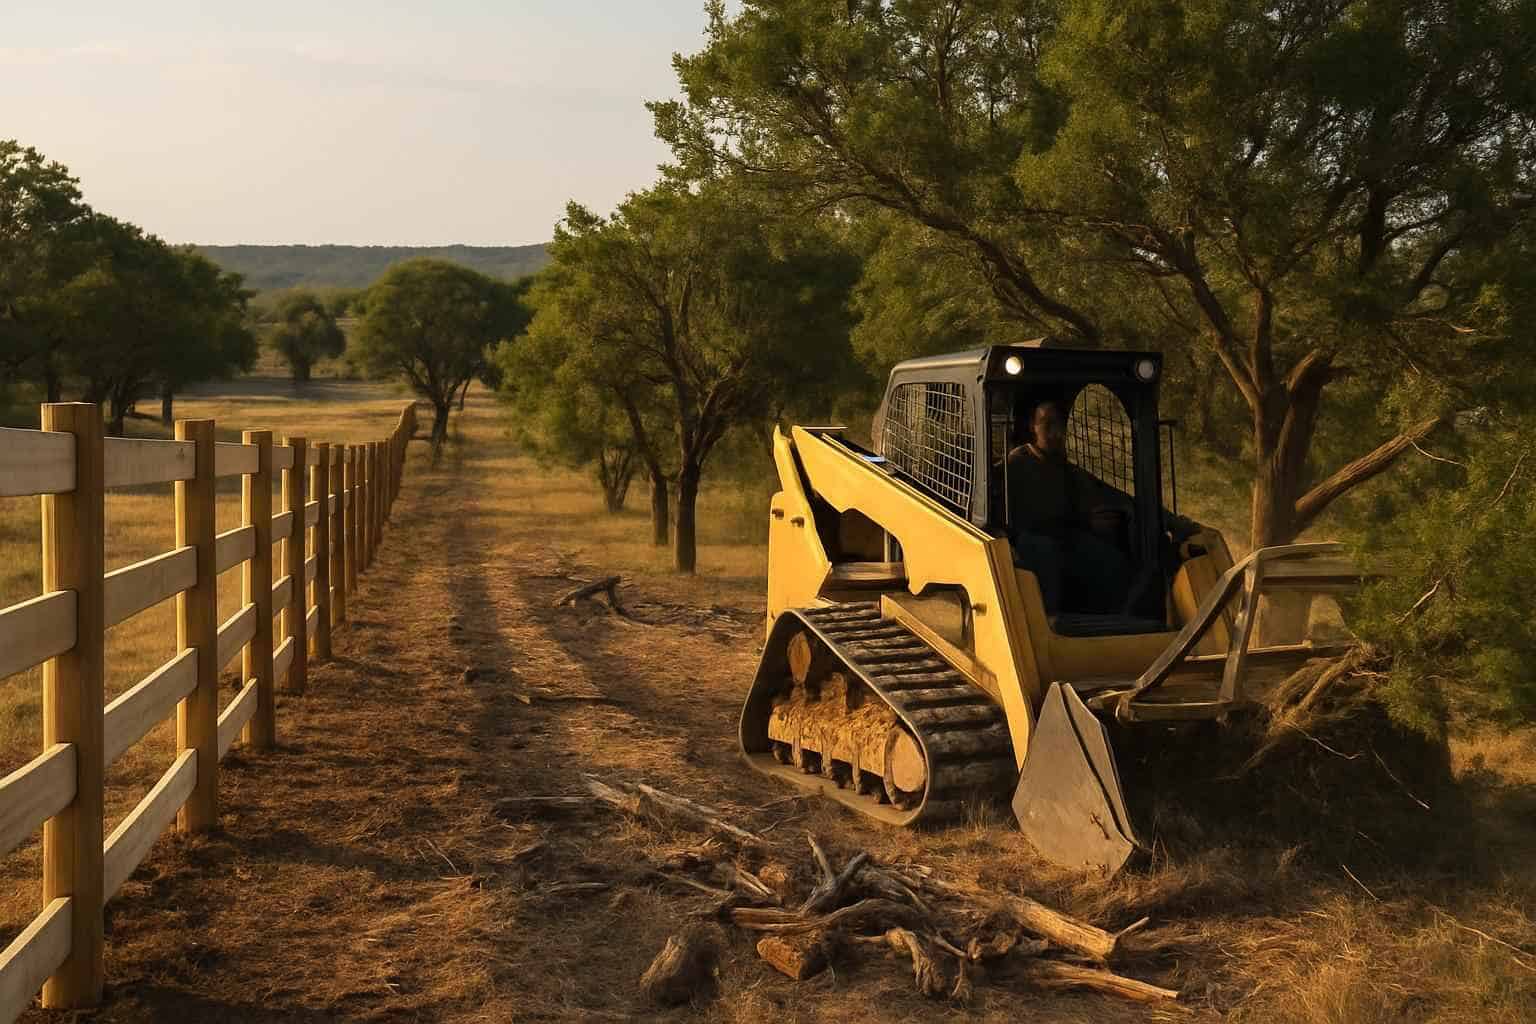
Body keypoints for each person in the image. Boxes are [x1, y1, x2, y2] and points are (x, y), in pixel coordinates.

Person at [1007, 399, 1202, 615]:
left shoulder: (1064, 469)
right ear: (1032, 427)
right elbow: (1029, 519)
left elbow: (1114, 495)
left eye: (1060, 425)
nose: (1056, 432)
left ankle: (1120, 619)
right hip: (1031, 543)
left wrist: (1171, 521)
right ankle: (1050, 620)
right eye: (1047, 424)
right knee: (1046, 552)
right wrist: (1085, 522)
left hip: (1068, 539)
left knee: (1115, 561)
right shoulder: (1016, 466)